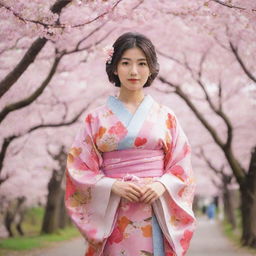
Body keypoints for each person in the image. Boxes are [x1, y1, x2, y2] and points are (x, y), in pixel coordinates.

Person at [65, 32, 196, 256]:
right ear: (114, 68)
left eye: (142, 63)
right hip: (114, 210)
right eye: (126, 63)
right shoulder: (95, 119)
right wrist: (111, 186)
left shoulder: (166, 117)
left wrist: (162, 185)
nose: (134, 71)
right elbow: (78, 169)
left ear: (151, 68)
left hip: (156, 207)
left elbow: (181, 166)